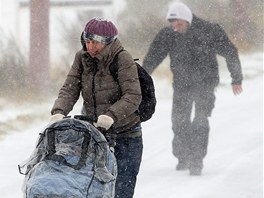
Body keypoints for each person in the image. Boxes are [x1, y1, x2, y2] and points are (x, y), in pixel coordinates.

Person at [142, 2, 243, 176]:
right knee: (179, 122)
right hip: (181, 85)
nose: (176, 28)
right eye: (173, 25)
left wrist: (237, 78)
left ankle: (197, 160)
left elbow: (230, 52)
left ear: (187, 19)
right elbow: (153, 56)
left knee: (200, 121)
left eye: (179, 24)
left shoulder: (210, 30)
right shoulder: (169, 34)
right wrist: (142, 79)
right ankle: (183, 156)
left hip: (206, 84)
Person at [49, 17, 143, 198]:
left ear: (108, 42)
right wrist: (59, 111)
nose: (91, 47)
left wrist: (111, 115)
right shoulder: (81, 57)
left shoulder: (122, 59)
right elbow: (70, 88)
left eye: (96, 43)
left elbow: (133, 95)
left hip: (126, 134)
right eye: (88, 41)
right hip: (96, 133)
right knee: (91, 186)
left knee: (122, 188)